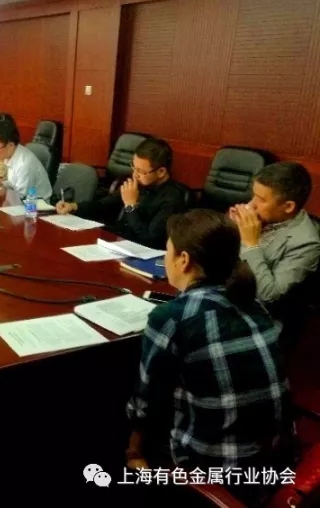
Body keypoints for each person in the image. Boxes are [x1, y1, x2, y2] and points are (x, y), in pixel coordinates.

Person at [126, 209, 295, 505]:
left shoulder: (172, 317)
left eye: (167, 250)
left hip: (215, 471)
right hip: (275, 461)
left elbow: (146, 405)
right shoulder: (255, 305)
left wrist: (134, 452)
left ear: (183, 260)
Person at [57, 139, 186, 249]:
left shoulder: (173, 198)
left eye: (141, 171)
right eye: (134, 167)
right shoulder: (139, 183)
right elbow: (104, 205)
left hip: (139, 251)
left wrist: (130, 207)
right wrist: (74, 207)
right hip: (116, 242)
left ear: (161, 172)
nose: (135, 174)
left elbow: (149, 239)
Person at [229, 161, 320, 306]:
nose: (251, 204)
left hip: (253, 307)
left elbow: (268, 295)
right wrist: (231, 226)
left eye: (261, 200)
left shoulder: (306, 244)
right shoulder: (267, 215)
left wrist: (251, 245)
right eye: (254, 195)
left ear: (288, 206)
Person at [0, 117, 52, 200]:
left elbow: (20, 197)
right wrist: (2, 183)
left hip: (36, 205)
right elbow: (15, 184)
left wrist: (2, 191)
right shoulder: (11, 155)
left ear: (10, 145)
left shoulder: (24, 164)